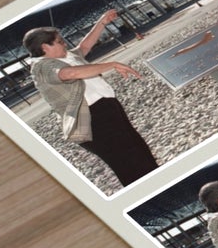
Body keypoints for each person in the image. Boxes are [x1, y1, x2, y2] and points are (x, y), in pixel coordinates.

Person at [22, 14, 158, 185]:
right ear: (45, 47)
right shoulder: (42, 67)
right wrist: (112, 64)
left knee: (140, 152)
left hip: (106, 110)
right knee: (129, 164)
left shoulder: (65, 57)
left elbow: (85, 46)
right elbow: (70, 74)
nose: (64, 44)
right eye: (59, 42)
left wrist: (101, 22)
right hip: (91, 120)